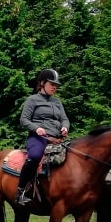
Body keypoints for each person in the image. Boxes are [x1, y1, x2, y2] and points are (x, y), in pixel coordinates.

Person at [16, 69, 70, 206]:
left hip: (57, 139)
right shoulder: (32, 100)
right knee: (34, 156)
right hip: (38, 138)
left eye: (56, 85)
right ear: (42, 83)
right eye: (52, 84)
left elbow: (65, 119)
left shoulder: (57, 102)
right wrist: (36, 128)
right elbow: (24, 120)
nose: (55, 87)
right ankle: (21, 191)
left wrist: (65, 127)